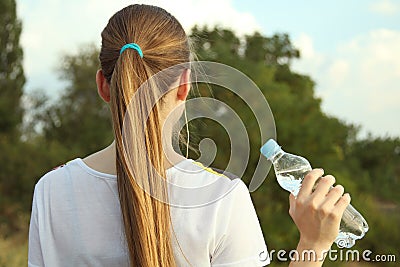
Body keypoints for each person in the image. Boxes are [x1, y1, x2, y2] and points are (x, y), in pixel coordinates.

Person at [28, 4, 351, 267]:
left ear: (103, 85)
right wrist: (312, 244)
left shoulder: (51, 192)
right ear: (184, 85)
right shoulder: (222, 198)